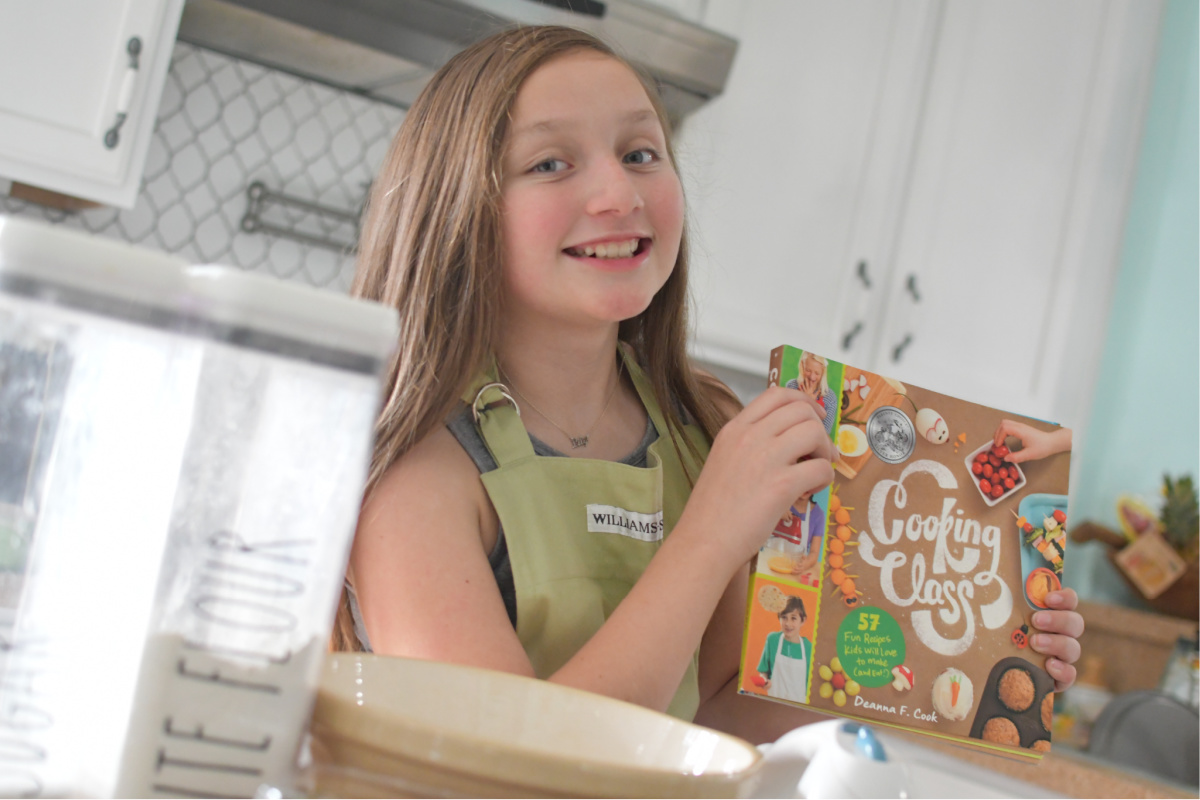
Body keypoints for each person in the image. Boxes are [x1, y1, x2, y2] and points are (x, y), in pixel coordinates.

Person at [333, 24, 1084, 745]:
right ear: (457, 210)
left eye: (639, 152)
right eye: (550, 164)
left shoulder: (706, 423)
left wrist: (969, 658)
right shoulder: (414, 472)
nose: (618, 193)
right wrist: (711, 530)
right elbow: (498, 764)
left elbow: (717, 713)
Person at [757, 595, 813, 702]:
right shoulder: (772, 640)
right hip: (773, 702)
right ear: (779, 618)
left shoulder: (809, 648)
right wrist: (764, 681)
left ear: (803, 620)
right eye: (784, 617)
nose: (788, 623)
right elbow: (763, 672)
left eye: (793, 618)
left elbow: (809, 686)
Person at [785, 353, 837, 435]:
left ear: (823, 374)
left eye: (817, 373)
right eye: (808, 370)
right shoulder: (792, 386)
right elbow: (786, 420)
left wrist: (811, 403)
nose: (812, 377)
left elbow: (823, 434)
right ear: (802, 367)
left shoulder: (830, 397)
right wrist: (805, 400)